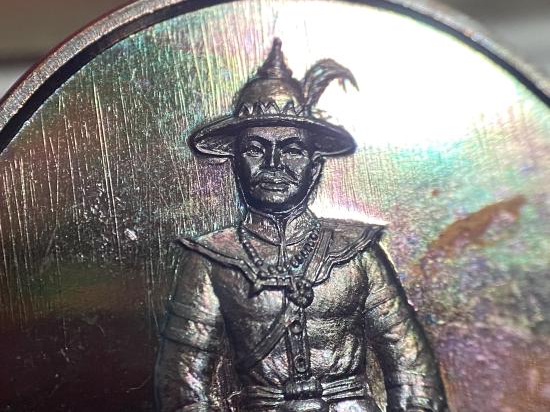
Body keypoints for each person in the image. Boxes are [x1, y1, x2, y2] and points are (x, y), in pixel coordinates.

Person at [155, 38, 447, 412]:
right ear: (234, 161)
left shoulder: (357, 251)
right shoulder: (212, 259)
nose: (273, 164)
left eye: (292, 149)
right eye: (255, 149)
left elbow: (410, 366)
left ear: (315, 166)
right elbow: (183, 384)